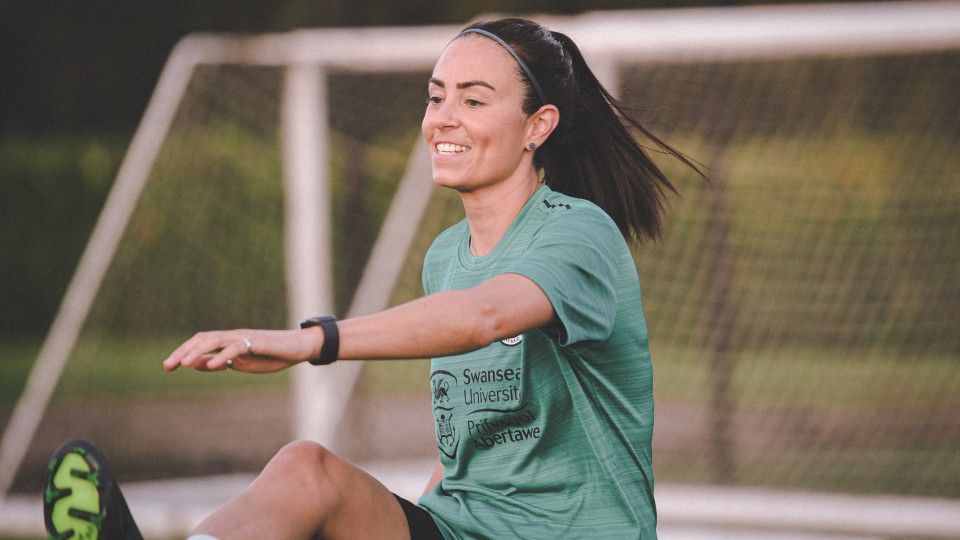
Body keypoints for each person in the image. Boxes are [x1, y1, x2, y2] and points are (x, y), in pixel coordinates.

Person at [43, 17, 700, 539]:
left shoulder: (578, 233)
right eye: (436, 97)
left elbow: (484, 318)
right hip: (460, 528)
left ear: (538, 126)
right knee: (307, 470)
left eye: (473, 100)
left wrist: (311, 341)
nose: (442, 118)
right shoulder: (446, 255)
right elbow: (472, 447)